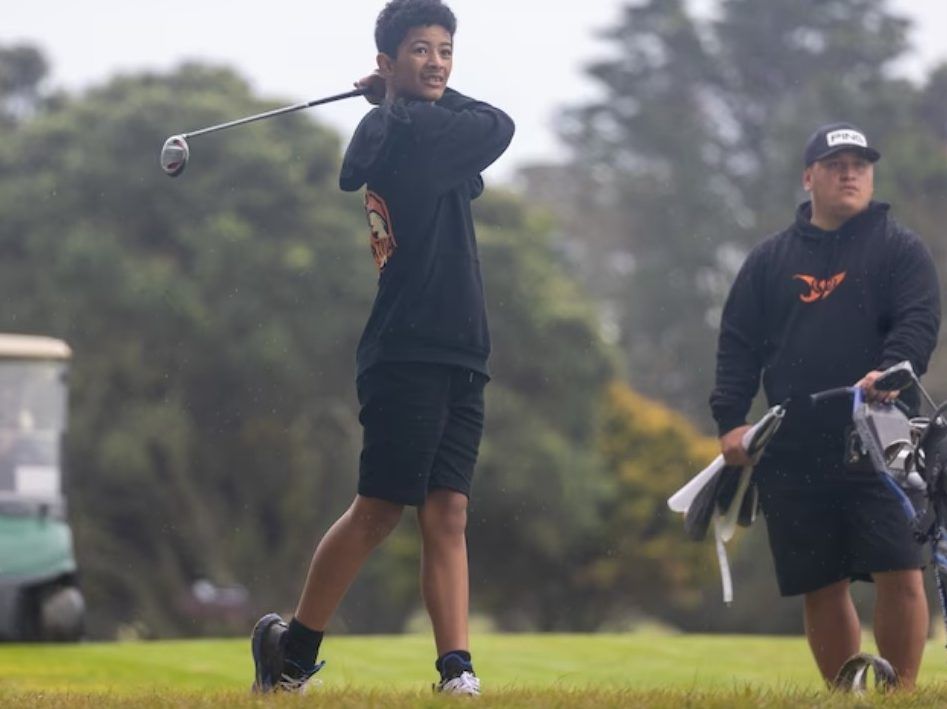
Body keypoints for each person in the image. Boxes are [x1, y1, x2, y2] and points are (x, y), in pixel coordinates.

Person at [250, 0, 514, 695]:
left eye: (445, 51)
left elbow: (475, 149)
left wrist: (403, 92)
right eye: (420, 50)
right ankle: (291, 652)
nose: (436, 63)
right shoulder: (398, 132)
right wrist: (396, 98)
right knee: (379, 508)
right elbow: (498, 124)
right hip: (406, 349)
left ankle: (455, 668)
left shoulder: (421, 126)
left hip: (462, 349)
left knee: (448, 509)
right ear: (386, 60)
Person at [709, 121, 940, 689]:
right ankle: (844, 695)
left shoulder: (899, 249)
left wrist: (892, 367)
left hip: (882, 439)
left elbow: (918, 322)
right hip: (791, 440)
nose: (850, 173)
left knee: (900, 568)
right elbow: (737, 344)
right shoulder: (769, 260)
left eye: (860, 165)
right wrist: (731, 422)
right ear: (809, 176)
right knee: (821, 579)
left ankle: (900, 696)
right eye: (837, 165)